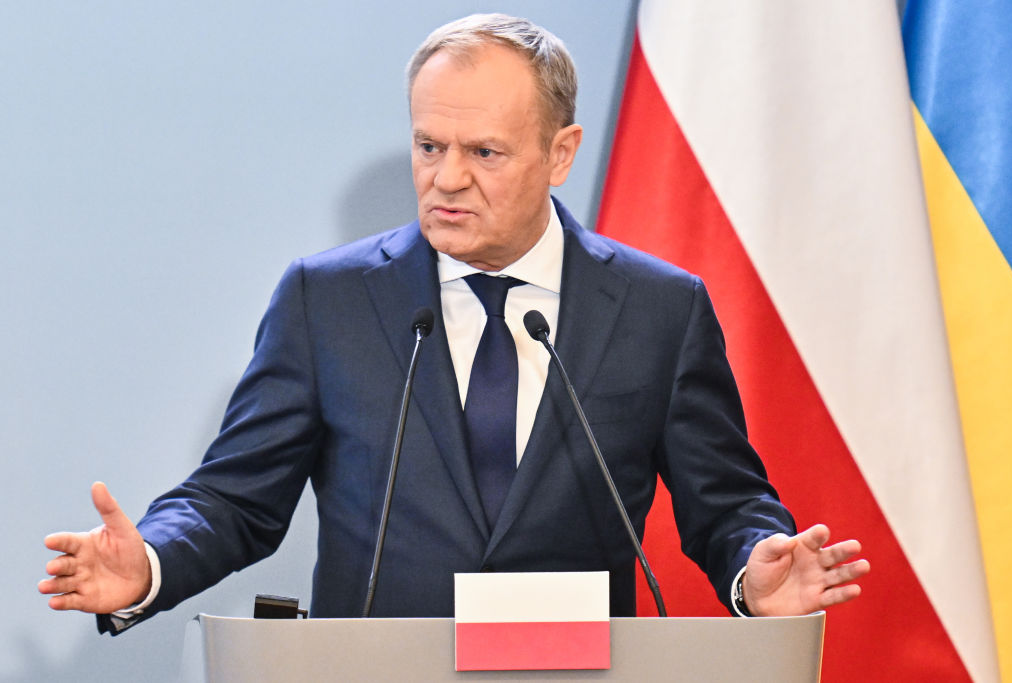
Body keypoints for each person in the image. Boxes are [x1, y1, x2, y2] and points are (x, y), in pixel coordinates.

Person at [39, 13, 868, 634]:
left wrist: (752, 573)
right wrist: (147, 561)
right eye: (429, 145)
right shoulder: (326, 301)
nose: (446, 179)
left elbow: (725, 502)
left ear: (561, 151)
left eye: (485, 152)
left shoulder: (660, 309)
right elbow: (233, 499)